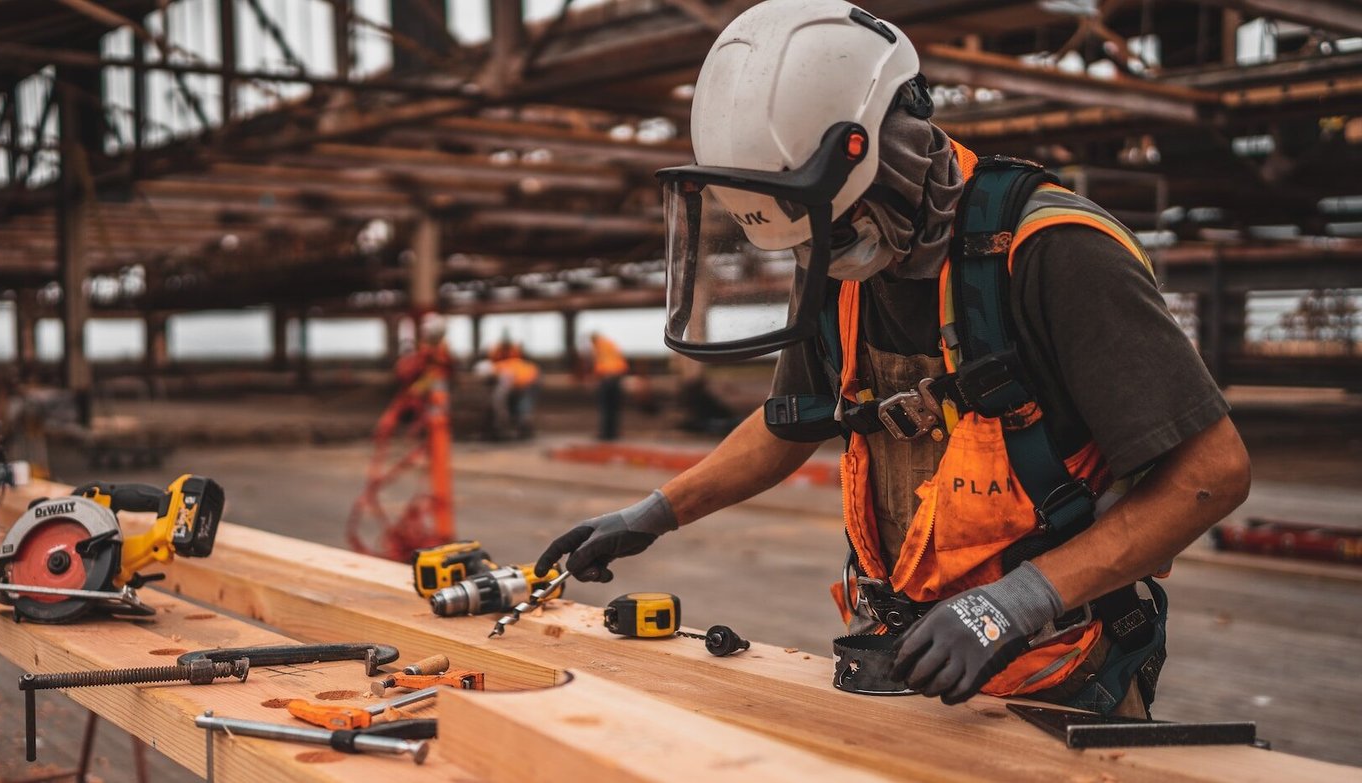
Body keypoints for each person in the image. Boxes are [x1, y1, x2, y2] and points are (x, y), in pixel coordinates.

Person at [535, 0, 1248, 719]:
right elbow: (792, 422)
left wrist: (1015, 602)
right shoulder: (836, 260)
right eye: (814, 239)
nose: (829, 255)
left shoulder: (1052, 252)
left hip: (1060, 672)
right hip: (902, 662)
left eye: (840, 227)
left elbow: (1213, 474)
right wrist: (652, 514)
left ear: (890, 151)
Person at [588, 332, 629, 440]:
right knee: (614, 407)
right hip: (617, 376)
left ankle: (606, 434)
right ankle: (613, 433)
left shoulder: (599, 346)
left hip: (606, 378)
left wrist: (596, 377)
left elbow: (598, 362)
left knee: (605, 407)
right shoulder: (610, 344)